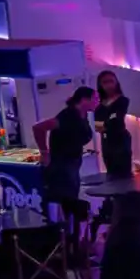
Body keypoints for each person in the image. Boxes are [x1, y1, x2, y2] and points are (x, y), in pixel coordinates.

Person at [36, 86, 97, 226]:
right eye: (95, 99)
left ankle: (71, 231)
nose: (97, 102)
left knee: (70, 203)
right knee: (63, 203)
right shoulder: (68, 116)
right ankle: (61, 232)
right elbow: (39, 127)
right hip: (61, 168)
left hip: (72, 166)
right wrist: (44, 152)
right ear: (84, 99)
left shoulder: (82, 116)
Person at [92, 70, 132, 178]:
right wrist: (108, 121)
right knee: (111, 173)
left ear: (116, 82)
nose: (109, 85)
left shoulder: (122, 100)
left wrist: (107, 123)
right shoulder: (99, 105)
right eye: (105, 82)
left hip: (120, 140)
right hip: (106, 142)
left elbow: (116, 122)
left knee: (123, 174)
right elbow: (98, 126)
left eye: (111, 81)